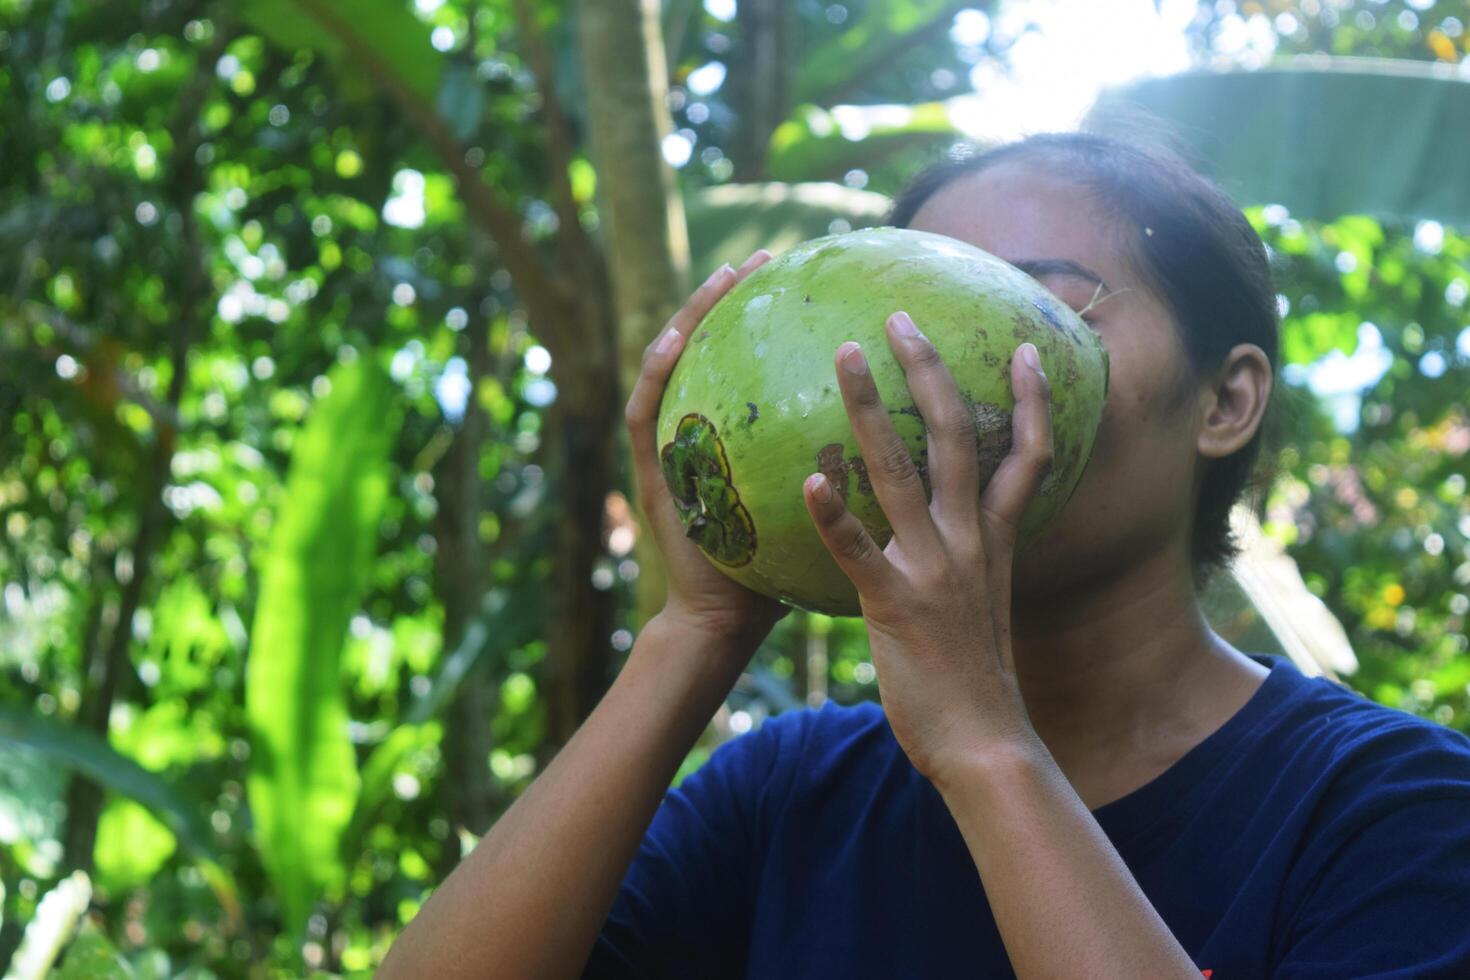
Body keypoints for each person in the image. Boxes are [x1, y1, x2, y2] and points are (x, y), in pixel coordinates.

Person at [381, 133, 1470, 978]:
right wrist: (694, 629)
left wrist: (987, 747)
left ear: (1225, 399)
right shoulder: (786, 795)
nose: (928, 379)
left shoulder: (1392, 809)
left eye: (1035, 298)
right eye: (902, 306)